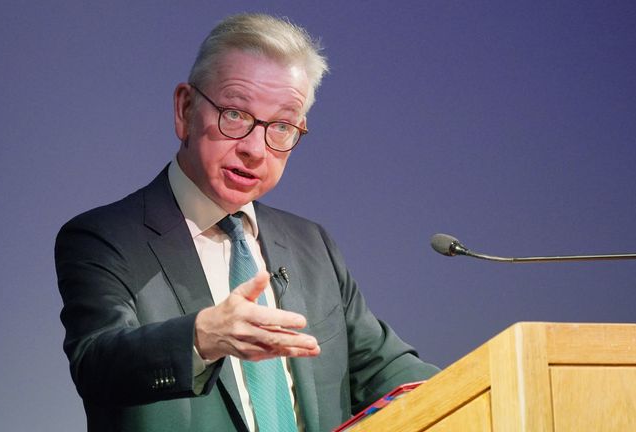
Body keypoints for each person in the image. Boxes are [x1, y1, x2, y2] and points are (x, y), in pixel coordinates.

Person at [55, 13, 439, 432]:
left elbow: (389, 372)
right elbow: (97, 364)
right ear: (185, 109)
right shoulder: (104, 239)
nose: (256, 148)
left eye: (281, 125)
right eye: (235, 114)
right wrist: (202, 337)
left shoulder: (313, 246)